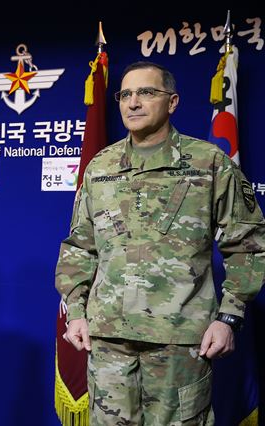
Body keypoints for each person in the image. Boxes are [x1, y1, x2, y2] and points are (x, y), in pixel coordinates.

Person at [55, 61, 265, 425]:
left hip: (180, 343)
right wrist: (75, 311)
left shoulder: (208, 163)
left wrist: (229, 317)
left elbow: (248, 243)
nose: (133, 103)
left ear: (172, 102)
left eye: (147, 92)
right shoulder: (100, 167)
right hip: (108, 341)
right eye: (125, 94)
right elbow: (79, 246)